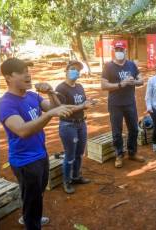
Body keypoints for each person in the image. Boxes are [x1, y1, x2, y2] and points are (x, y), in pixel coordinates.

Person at [0, 58, 75, 229]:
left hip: (41, 154)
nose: (28, 74)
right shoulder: (6, 104)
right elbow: (22, 130)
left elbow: (56, 108)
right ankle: (31, 223)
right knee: (31, 197)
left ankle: (30, 217)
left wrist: (51, 93)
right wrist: (49, 115)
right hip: (24, 161)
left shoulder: (32, 96)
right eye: (21, 71)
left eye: (28, 70)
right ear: (8, 77)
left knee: (36, 194)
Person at [101, 42, 146, 168]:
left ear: (125, 51)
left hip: (130, 103)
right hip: (115, 104)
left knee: (134, 129)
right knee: (117, 131)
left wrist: (134, 81)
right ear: (114, 51)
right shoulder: (108, 66)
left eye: (121, 49)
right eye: (117, 49)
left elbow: (141, 81)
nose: (119, 51)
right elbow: (103, 85)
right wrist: (121, 84)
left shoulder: (131, 65)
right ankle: (119, 155)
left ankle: (132, 152)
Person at [55, 61, 95, 194]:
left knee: (79, 153)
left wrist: (89, 102)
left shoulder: (79, 86)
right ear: (66, 70)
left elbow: (82, 102)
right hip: (68, 125)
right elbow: (63, 109)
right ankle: (66, 181)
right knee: (70, 155)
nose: (76, 72)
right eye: (73, 69)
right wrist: (82, 106)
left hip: (81, 123)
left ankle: (76, 176)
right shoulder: (61, 88)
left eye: (78, 70)